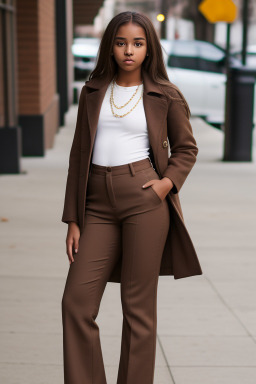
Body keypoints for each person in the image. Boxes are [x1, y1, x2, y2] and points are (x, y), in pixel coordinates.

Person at [61, 11, 202, 384]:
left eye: (137, 43)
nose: (129, 50)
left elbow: (186, 149)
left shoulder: (164, 94)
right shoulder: (92, 91)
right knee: (76, 303)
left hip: (144, 199)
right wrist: (73, 219)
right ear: (110, 46)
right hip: (96, 204)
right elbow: (78, 156)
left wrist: (164, 185)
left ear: (148, 48)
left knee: (137, 309)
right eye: (121, 42)